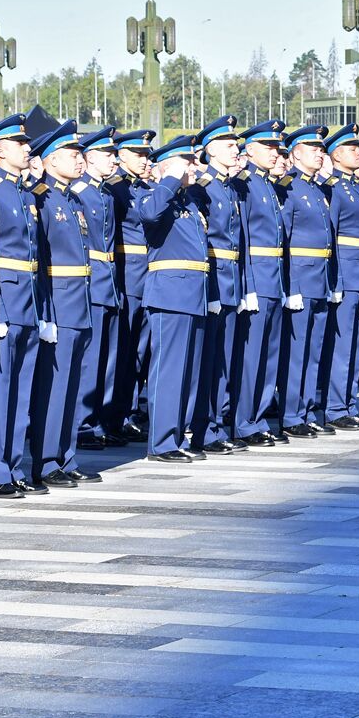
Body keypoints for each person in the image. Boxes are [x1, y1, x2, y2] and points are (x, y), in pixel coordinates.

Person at [0, 114, 47, 498]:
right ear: (0, 152)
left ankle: (13, 464)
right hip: (6, 300)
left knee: (19, 390)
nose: (27, 149)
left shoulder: (22, 194)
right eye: (20, 145)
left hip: (28, 301)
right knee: (1, 390)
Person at [27, 120, 100, 488]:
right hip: (58, 302)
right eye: (72, 154)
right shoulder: (41, 198)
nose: (80, 160)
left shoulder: (73, 200)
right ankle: (46, 461)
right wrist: (46, 313)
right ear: (51, 159)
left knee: (72, 385)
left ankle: (66, 456)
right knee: (54, 388)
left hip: (79, 302)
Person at [138, 135, 209, 462]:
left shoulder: (187, 202)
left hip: (193, 292)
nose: (194, 167)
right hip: (169, 294)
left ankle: (177, 436)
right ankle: (162, 442)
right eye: (188, 162)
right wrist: (169, 176)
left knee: (187, 372)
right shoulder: (155, 196)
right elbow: (150, 215)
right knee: (168, 372)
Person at [190, 115, 253, 454]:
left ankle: (217, 424)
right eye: (229, 145)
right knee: (209, 361)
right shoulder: (204, 186)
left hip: (232, 280)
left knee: (226, 359)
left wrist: (245, 286)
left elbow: (239, 242)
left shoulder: (229, 187)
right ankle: (204, 428)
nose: (236, 150)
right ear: (211, 149)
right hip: (214, 278)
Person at [232, 120, 288, 447]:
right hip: (258, 277)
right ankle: (244, 420)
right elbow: (243, 239)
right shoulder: (246, 184)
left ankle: (259, 415)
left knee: (268, 354)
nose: (274, 153)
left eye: (276, 148)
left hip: (274, 276)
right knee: (252, 356)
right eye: (268, 147)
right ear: (250, 150)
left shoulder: (266, 184)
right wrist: (249, 285)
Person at [280, 124, 337, 437]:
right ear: (297, 153)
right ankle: (291, 415)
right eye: (314, 149)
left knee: (313, 350)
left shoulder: (317, 189)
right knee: (298, 351)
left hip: (320, 278)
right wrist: (292, 287)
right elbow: (284, 240)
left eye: (321, 149)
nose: (320, 153)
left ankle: (307, 409)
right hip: (301, 277)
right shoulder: (290, 188)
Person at [324, 123, 359, 429]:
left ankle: (347, 402)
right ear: (335, 155)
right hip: (346, 272)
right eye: (352, 148)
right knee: (343, 344)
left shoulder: (356, 187)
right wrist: (336, 279)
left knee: (356, 343)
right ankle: (336, 406)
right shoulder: (333, 188)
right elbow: (329, 236)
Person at [73, 127, 123, 450]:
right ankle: (82, 422)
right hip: (91, 282)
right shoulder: (80, 192)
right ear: (90, 157)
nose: (113, 159)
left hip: (108, 281)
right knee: (89, 359)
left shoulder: (104, 193)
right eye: (107, 154)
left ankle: (97, 419)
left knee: (106, 357)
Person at [106, 129, 155, 443]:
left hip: (145, 276)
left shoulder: (142, 187)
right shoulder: (115, 189)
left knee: (138, 354)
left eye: (147, 154)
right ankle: (111, 416)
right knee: (122, 353)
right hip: (127, 277)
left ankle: (127, 413)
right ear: (121, 155)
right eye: (138, 154)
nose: (144, 159)